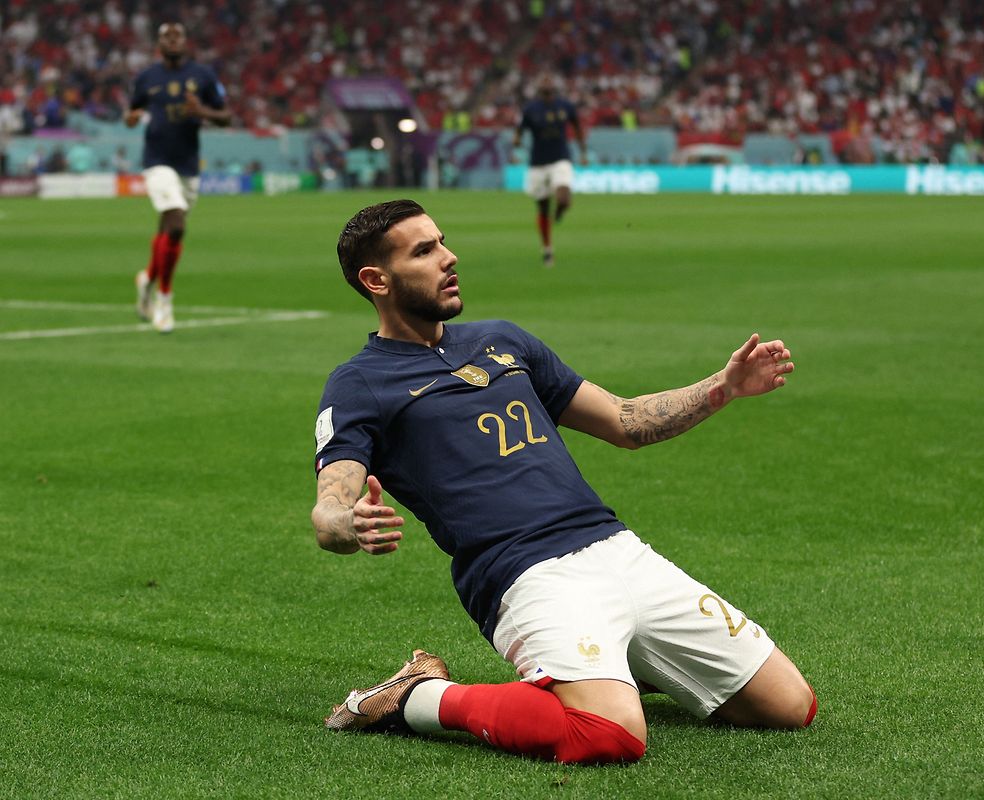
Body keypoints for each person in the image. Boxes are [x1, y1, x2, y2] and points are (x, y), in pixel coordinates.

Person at [310, 199, 817, 765]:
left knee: (790, 706)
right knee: (608, 735)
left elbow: (625, 422)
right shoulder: (360, 382)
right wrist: (350, 523)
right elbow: (330, 507)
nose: (449, 258)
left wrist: (721, 387)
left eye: (443, 242)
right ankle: (416, 697)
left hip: (617, 549)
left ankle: (617, 666)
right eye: (424, 251)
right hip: (523, 572)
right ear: (375, 280)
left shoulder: (503, 339)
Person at [125, 22, 231, 333]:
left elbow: (225, 117)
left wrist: (203, 112)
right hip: (156, 161)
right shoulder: (147, 77)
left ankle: (147, 279)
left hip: (188, 164)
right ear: (159, 43)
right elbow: (132, 114)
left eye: (178, 36)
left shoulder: (203, 76)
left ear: (185, 41)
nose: (173, 41)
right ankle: (164, 300)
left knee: (167, 231)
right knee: (176, 223)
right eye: (166, 37)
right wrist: (130, 117)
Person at [512, 77, 587, 267]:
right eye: (544, 89)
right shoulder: (531, 109)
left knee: (564, 199)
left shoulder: (565, 106)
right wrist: (517, 141)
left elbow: (577, 127)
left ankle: (560, 212)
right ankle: (547, 249)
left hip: (560, 158)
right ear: (540, 91)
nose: (548, 91)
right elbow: (520, 130)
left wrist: (583, 151)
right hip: (538, 163)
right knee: (543, 207)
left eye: (550, 88)